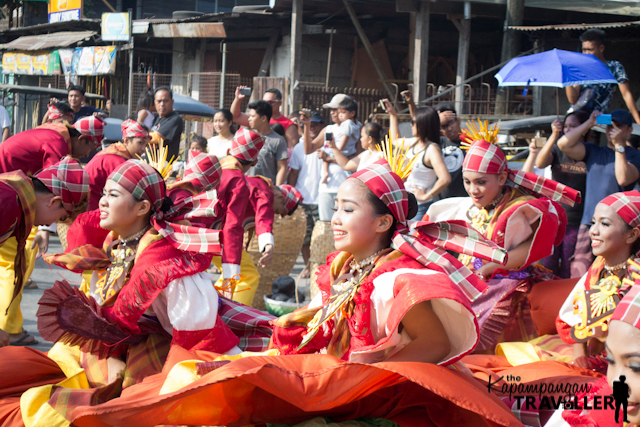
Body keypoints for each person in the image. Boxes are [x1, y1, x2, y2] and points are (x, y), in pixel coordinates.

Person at [19, 159, 529, 427]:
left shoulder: (396, 275)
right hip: (323, 367)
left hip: (353, 379)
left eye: (348, 210)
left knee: (216, 378)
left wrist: (358, 375)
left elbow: (435, 345)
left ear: (382, 222)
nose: (335, 217)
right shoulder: (349, 265)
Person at [427, 121, 581, 351]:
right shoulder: (470, 205)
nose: (473, 190)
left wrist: (489, 268)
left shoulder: (521, 209)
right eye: (467, 182)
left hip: (509, 284)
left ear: (501, 178)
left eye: (481, 182)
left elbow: (527, 252)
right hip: (473, 278)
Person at [0, 157, 89, 346]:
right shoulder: (8, 204)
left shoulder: (13, 195)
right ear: (54, 201)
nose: (49, 225)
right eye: (61, 217)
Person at [557, 191, 640, 361]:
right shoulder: (598, 267)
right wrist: (580, 356)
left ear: (631, 235)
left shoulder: (636, 274)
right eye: (593, 222)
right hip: (598, 357)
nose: (593, 231)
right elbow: (572, 316)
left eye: (605, 224)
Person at [558, 109, 640, 277]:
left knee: (615, 272)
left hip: (617, 226)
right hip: (589, 222)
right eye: (609, 126)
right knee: (579, 272)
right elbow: (563, 145)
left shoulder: (634, 155)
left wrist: (619, 146)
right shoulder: (595, 150)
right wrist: (589, 123)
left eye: (618, 126)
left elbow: (623, 178)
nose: (612, 130)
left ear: (629, 131)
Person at [521, 112, 590, 278]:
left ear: (583, 129)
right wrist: (554, 135)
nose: (567, 129)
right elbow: (540, 163)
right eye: (566, 126)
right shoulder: (557, 150)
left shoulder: (590, 152)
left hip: (576, 220)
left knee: (568, 266)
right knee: (548, 265)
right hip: (555, 218)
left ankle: (564, 300)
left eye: (572, 126)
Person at [565, 29, 640, 124]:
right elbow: (573, 100)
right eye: (584, 49)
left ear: (601, 48)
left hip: (600, 119)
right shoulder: (580, 68)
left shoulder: (614, 67)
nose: (586, 53)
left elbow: (626, 95)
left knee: (618, 122)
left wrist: (638, 121)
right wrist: (568, 76)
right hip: (576, 118)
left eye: (590, 49)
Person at [0, 116, 103, 176]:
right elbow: (53, 181)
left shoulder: (57, 133)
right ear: (82, 139)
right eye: (91, 149)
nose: (87, 155)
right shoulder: (58, 142)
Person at [303, 94, 351, 221]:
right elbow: (308, 150)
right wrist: (307, 125)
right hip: (326, 187)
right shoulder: (328, 129)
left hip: (347, 187)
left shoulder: (355, 129)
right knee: (325, 226)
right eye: (331, 110)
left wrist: (328, 158)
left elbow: (354, 161)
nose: (333, 113)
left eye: (336, 109)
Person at [398, 105, 451, 220]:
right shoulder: (415, 143)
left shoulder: (432, 149)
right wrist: (392, 114)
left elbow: (445, 179)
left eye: (413, 122)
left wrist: (426, 196)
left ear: (423, 124)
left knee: (412, 238)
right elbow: (393, 141)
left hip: (419, 208)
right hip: (404, 204)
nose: (411, 125)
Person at [85, 120, 150, 211]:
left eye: (146, 145)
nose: (144, 149)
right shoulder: (117, 161)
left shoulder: (116, 152)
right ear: (127, 141)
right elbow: (127, 191)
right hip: (90, 205)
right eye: (140, 143)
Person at [289, 110, 324, 278]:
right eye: (309, 125)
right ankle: (308, 266)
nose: (312, 128)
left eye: (316, 125)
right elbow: (293, 174)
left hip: (323, 198)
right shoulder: (298, 148)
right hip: (304, 198)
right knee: (305, 237)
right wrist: (289, 196)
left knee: (322, 237)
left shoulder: (327, 144)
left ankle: (320, 268)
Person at [247, 100, 288, 185]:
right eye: (249, 116)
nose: (249, 119)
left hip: (266, 189)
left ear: (263, 118)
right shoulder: (246, 137)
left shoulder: (278, 140)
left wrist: (276, 190)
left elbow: (282, 168)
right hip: (246, 187)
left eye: (252, 116)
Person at [320, 97, 360, 184]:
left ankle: (326, 173)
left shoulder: (348, 123)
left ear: (352, 113)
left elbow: (345, 138)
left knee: (325, 155)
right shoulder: (357, 124)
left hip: (342, 151)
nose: (340, 115)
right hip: (346, 151)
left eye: (343, 112)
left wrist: (337, 150)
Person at [434, 102, 468, 199]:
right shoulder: (436, 144)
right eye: (444, 126)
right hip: (440, 201)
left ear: (458, 120)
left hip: (464, 200)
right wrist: (436, 120)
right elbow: (422, 129)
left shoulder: (471, 142)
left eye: (451, 123)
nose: (449, 129)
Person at [149, 86, 184, 163]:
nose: (162, 104)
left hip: (164, 169)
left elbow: (156, 138)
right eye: (159, 101)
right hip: (151, 165)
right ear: (155, 102)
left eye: (165, 101)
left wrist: (139, 135)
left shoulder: (175, 119)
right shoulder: (155, 118)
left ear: (172, 102)